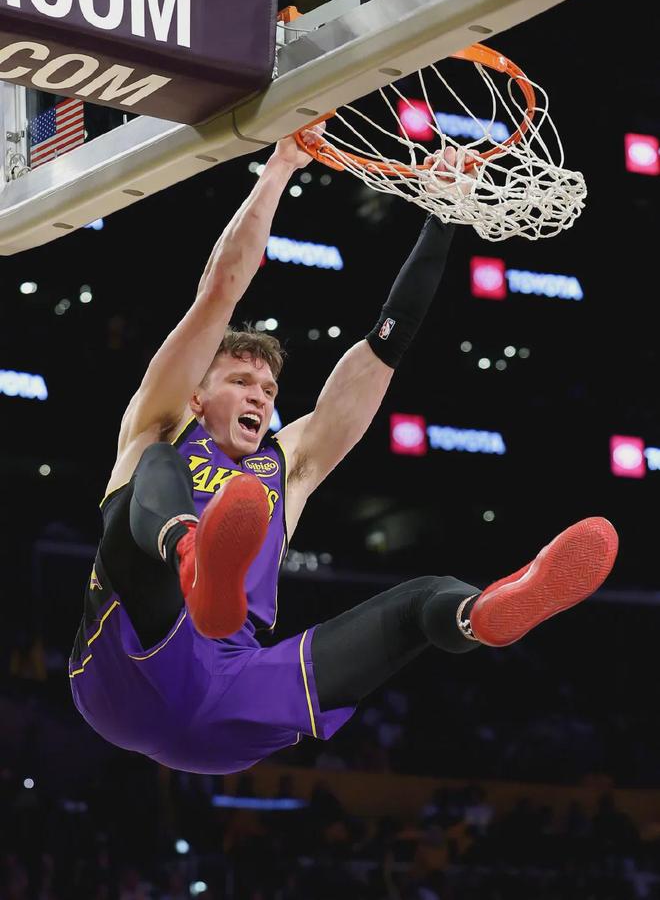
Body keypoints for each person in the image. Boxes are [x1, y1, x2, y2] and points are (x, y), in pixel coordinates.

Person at [69, 129, 618, 775]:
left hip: (230, 696)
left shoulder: (288, 466)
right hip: (128, 665)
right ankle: (192, 555)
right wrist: (281, 166)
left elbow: (384, 347)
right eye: (241, 381)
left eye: (268, 390)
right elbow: (220, 290)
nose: (259, 396)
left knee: (424, 599)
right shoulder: (162, 424)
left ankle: (482, 615)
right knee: (156, 465)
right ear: (197, 396)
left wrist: (442, 217)